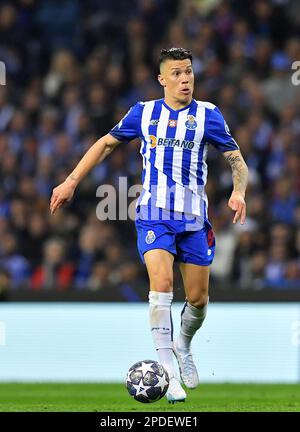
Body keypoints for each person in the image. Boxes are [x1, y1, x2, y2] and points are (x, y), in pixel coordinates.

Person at [50, 48, 248, 403]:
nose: (185, 78)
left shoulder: (209, 116)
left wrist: (238, 191)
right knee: (162, 284)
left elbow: (237, 161)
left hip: (193, 219)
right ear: (162, 79)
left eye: (188, 71)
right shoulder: (144, 113)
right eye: (176, 73)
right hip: (153, 213)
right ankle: (168, 372)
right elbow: (106, 144)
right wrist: (71, 181)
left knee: (198, 300)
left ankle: (183, 344)